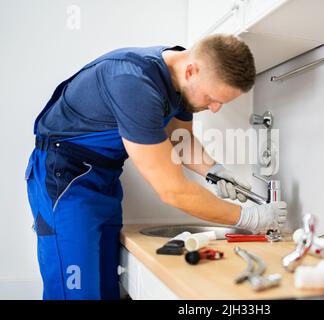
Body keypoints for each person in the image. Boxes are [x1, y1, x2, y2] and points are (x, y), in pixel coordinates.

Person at [25, 34, 287, 300]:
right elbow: (173, 191)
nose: (215, 108)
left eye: (221, 102)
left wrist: (214, 169)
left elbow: (179, 138)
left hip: (103, 180)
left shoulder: (180, 81)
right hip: (65, 180)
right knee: (77, 294)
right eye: (211, 98)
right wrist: (250, 218)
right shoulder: (134, 84)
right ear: (191, 71)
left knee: (105, 291)